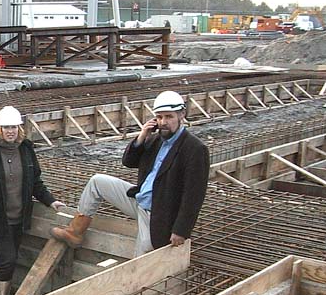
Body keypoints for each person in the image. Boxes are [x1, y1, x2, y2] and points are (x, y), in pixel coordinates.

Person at [51, 91, 209, 256]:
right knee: (97, 182)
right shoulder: (155, 140)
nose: (163, 122)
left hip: (158, 213)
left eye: (169, 117)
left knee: (141, 260)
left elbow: (193, 196)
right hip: (138, 200)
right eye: (160, 117)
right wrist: (141, 137)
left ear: (182, 114)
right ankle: (75, 232)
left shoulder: (195, 149)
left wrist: (181, 230)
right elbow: (128, 162)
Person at [0, 106, 65, 295]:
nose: (10, 131)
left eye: (13, 126)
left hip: (19, 218)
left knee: (11, 260)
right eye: (6, 127)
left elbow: (35, 182)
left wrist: (50, 201)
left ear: (19, 128)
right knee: (8, 258)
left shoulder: (26, 150)